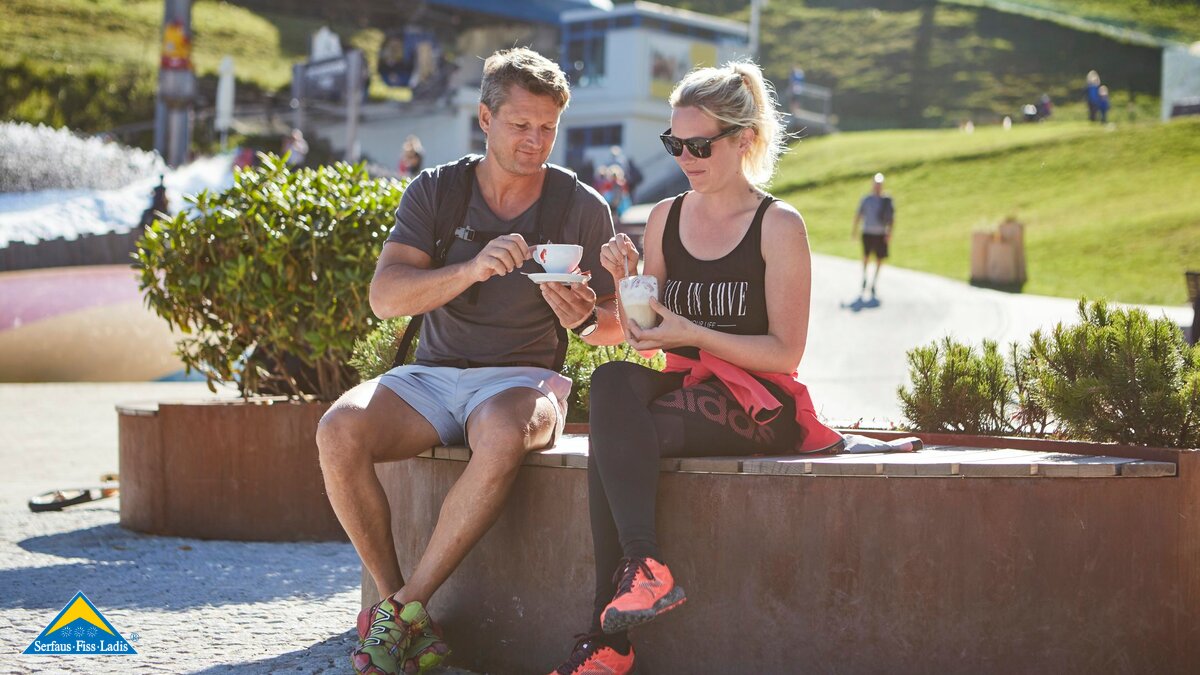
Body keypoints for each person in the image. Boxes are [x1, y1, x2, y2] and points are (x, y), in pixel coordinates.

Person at [316, 47, 624, 675]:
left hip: (521, 382)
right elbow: (385, 297)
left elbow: (617, 329)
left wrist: (585, 318)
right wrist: (470, 268)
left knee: (504, 431)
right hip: (429, 376)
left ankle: (399, 612)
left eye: (548, 128)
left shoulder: (580, 206)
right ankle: (402, 605)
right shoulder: (439, 190)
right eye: (521, 125)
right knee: (337, 430)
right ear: (485, 118)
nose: (536, 141)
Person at [547, 60, 842, 674]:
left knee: (615, 443)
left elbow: (786, 352)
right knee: (609, 381)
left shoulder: (779, 225)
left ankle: (608, 642)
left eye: (699, 144)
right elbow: (647, 340)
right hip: (687, 389)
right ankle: (642, 571)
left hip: (760, 404)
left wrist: (694, 333)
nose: (685, 156)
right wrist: (602, 303)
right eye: (674, 143)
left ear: (745, 140)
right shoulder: (664, 218)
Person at [850, 172, 894, 298]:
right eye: (876, 184)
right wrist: (855, 230)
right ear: (872, 185)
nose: (878, 187)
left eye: (880, 185)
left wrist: (889, 233)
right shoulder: (866, 199)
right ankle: (864, 276)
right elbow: (858, 215)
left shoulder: (887, 200)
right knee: (866, 256)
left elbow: (891, 218)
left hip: (881, 233)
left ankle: (874, 281)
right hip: (867, 232)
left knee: (879, 259)